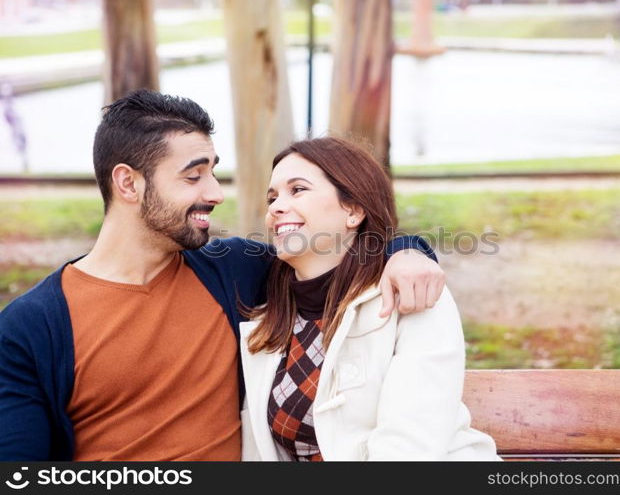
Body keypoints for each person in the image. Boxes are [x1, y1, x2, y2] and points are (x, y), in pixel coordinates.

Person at [0, 90, 446, 461]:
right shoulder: (33, 326)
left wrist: (406, 251)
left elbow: (338, 254)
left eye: (213, 172)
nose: (215, 193)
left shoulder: (233, 270)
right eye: (194, 177)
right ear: (128, 184)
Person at [240, 137, 499, 461]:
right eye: (272, 197)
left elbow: (408, 450)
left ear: (353, 210)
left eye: (298, 190)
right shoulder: (269, 317)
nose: (275, 208)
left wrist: (406, 250)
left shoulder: (411, 295)